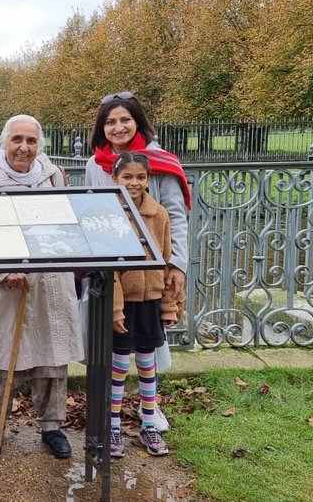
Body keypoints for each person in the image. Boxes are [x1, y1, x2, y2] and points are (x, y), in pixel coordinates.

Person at [0, 114, 83, 459]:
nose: (24, 147)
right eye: (17, 139)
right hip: (5, 289)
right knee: (3, 357)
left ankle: (52, 425)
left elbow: (69, 228)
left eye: (31, 141)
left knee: (52, 356)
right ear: (4, 143)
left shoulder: (54, 178)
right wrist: (3, 273)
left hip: (48, 284)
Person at [83, 91, 191, 431]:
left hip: (150, 269)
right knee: (111, 343)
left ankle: (150, 407)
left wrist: (177, 264)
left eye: (125, 120)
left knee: (147, 342)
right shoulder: (94, 164)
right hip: (111, 270)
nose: (118, 127)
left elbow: (175, 215)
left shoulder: (160, 161)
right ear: (102, 128)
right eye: (110, 122)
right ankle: (108, 411)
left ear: (137, 121)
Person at [105, 152, 181, 458]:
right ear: (115, 179)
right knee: (120, 365)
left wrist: (169, 305)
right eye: (127, 177)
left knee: (148, 364)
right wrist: (115, 308)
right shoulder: (109, 214)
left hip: (150, 301)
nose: (134, 183)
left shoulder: (158, 214)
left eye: (140, 177)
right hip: (124, 303)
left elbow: (164, 259)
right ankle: (112, 426)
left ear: (147, 180)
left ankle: (148, 422)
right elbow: (109, 267)